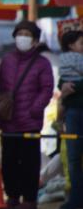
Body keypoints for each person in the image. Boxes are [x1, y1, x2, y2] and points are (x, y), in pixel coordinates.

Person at [0, 20, 53, 209]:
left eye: (27, 35)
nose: (23, 38)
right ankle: (12, 196)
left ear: (35, 41)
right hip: (8, 120)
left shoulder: (42, 63)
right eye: (20, 34)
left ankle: (29, 199)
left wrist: (34, 109)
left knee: (30, 163)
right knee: (9, 161)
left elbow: (47, 89)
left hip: (30, 122)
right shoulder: (7, 60)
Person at [58, 30, 83, 209]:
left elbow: (65, 84)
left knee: (74, 159)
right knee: (73, 158)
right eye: (82, 43)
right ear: (71, 46)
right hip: (74, 113)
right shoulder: (72, 61)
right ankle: (76, 199)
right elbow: (63, 83)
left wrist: (67, 88)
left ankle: (76, 199)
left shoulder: (63, 61)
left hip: (72, 112)